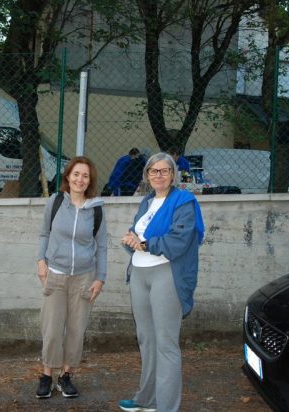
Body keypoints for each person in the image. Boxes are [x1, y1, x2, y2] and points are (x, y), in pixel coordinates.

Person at [118, 152, 205, 412]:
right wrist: (131, 240)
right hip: (139, 273)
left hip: (166, 274)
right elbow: (137, 235)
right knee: (146, 339)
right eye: (153, 171)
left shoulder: (184, 202)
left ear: (173, 174)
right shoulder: (146, 202)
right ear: (147, 175)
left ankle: (167, 407)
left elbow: (179, 240)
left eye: (164, 170)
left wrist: (144, 244)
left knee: (166, 343)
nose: (159, 175)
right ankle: (146, 399)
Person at [36, 156, 107, 399]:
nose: (80, 179)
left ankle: (66, 376)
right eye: (76, 174)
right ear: (68, 176)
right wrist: (41, 261)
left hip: (84, 278)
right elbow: (44, 234)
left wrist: (100, 278)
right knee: (52, 330)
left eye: (85, 175)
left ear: (90, 180)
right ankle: (47, 375)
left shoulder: (96, 209)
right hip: (55, 275)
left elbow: (102, 246)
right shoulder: (55, 202)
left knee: (76, 330)